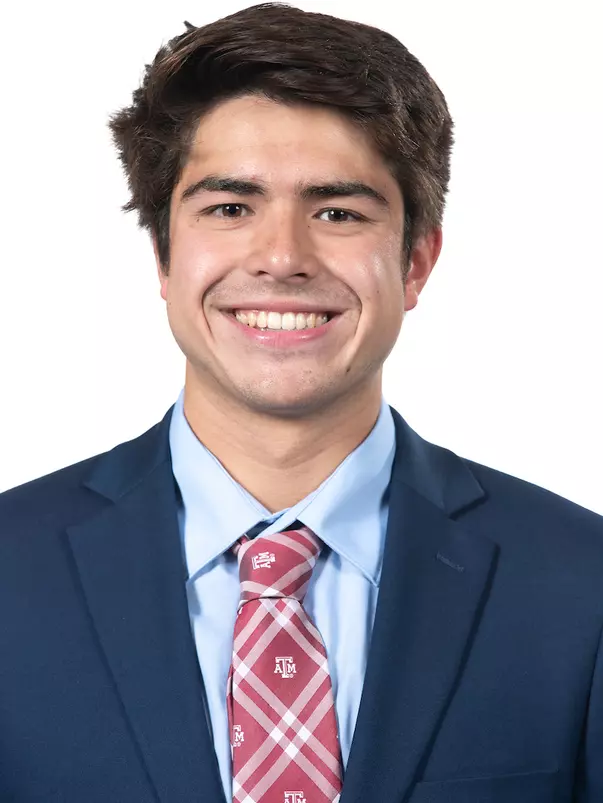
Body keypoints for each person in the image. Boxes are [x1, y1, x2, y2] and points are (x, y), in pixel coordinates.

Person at [0, 3, 602, 802]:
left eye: (337, 212)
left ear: (416, 262)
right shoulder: (11, 568)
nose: (282, 257)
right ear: (164, 257)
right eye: (229, 208)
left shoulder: (580, 582)